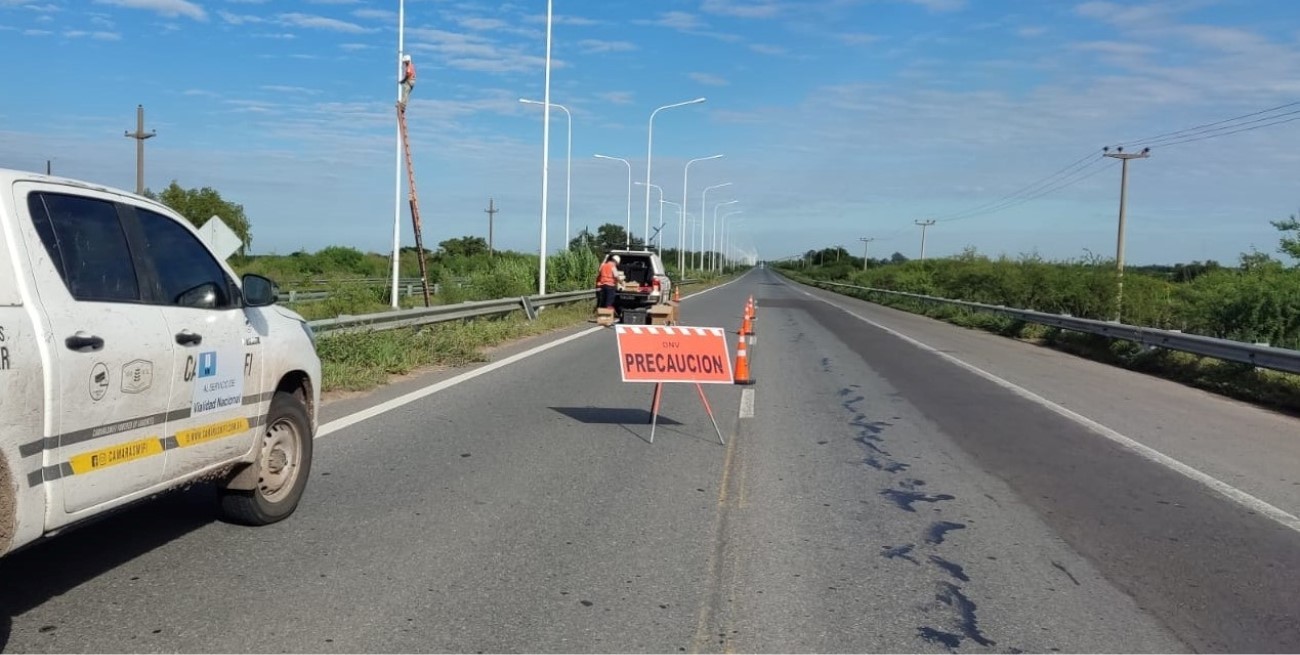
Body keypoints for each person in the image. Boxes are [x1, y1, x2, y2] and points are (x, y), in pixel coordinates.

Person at [596, 254, 620, 318]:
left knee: (603, 301)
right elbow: (616, 276)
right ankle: (607, 317)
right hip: (610, 286)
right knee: (609, 302)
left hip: (603, 286)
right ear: (616, 262)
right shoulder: (612, 266)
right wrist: (621, 282)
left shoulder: (604, 265)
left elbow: (599, 270)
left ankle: (602, 316)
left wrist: (605, 258)